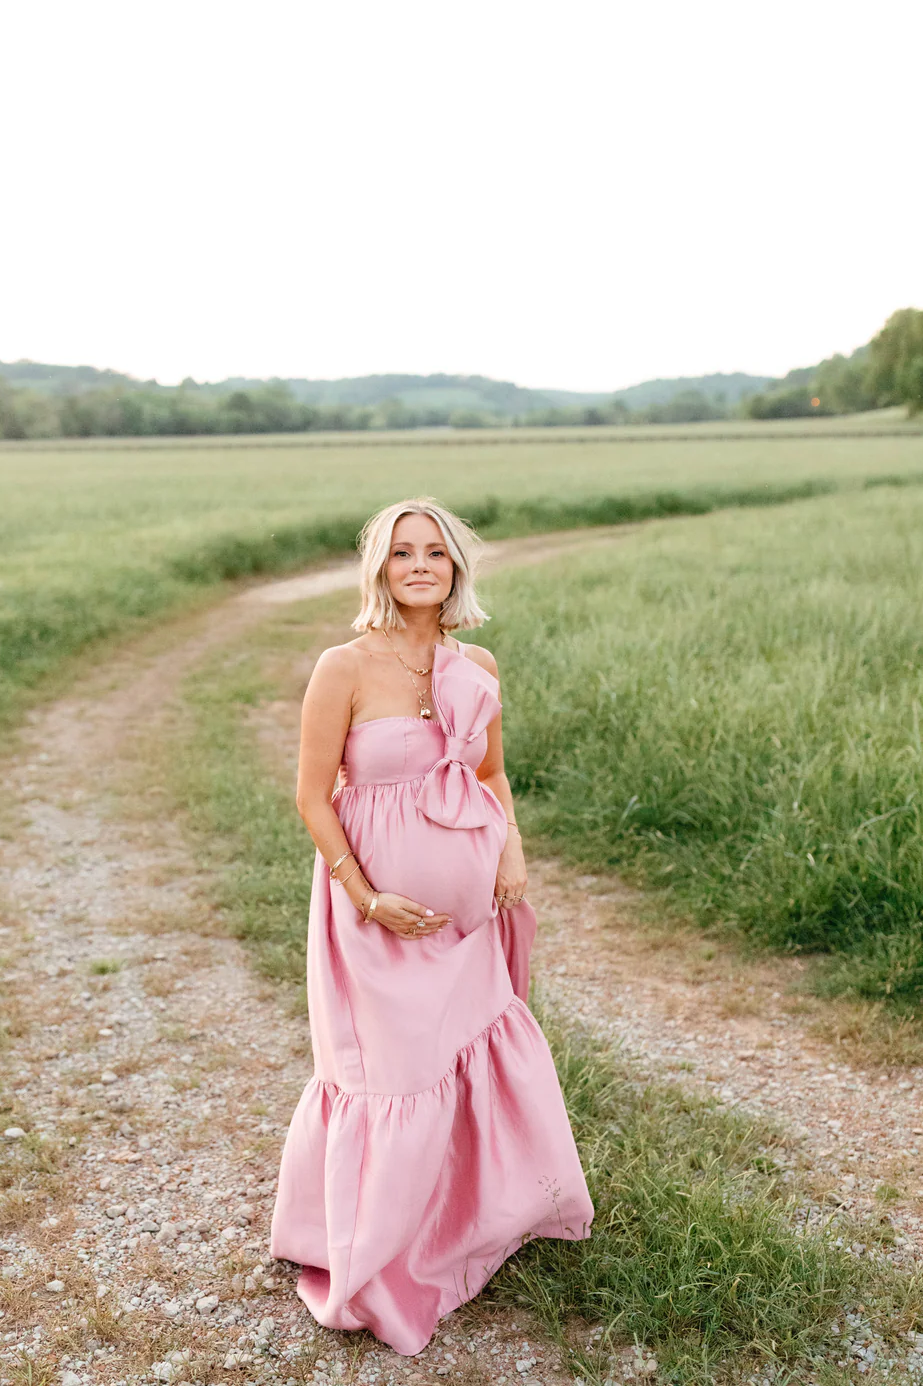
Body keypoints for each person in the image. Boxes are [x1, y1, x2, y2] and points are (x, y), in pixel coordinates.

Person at [270, 496, 592, 1355]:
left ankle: (467, 1223)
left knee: (466, 1053)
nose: (421, 565)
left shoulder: (475, 661)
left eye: (436, 554)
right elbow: (311, 795)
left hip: (469, 913)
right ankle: (374, 1250)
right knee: (392, 1072)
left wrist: (511, 852)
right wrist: (366, 894)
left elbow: (492, 774)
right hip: (375, 914)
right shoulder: (342, 667)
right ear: (380, 568)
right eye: (404, 552)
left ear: (455, 569)